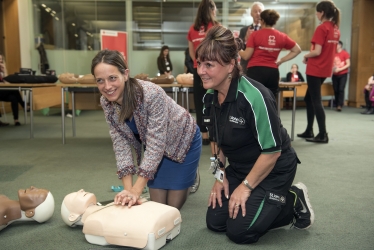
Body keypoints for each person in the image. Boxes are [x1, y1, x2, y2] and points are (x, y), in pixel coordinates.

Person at [197, 25, 314, 244]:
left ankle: (292, 199)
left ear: (231, 64)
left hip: (274, 168)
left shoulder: (255, 96)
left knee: (240, 232)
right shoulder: (209, 97)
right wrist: (219, 176)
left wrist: (246, 187)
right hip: (241, 167)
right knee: (216, 222)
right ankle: (261, 200)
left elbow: (272, 151)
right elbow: (216, 142)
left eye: (209, 65)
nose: (201, 71)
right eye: (199, 63)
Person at [91, 49, 201, 209]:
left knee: (172, 206)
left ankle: (191, 177)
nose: (107, 86)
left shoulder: (150, 94)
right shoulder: (106, 102)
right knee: (158, 207)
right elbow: (120, 145)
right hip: (156, 150)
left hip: (184, 142)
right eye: (100, 80)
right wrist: (129, 192)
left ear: (125, 74)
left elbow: (156, 144)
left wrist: (137, 190)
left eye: (112, 78)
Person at [61, 189, 181, 248]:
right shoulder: (93, 222)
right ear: (72, 216)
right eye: (75, 196)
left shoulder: (107, 206)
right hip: (154, 227)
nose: (81, 190)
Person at [297, 1, 340, 143]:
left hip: (315, 69)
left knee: (316, 100)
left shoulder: (322, 28)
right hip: (325, 69)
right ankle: (309, 130)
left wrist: (305, 55)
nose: (316, 14)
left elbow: (317, 51)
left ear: (322, 12)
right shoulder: (335, 29)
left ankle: (322, 134)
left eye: (317, 12)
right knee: (309, 98)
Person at [239, 9, 301, 98]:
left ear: (263, 21)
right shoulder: (281, 36)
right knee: (271, 100)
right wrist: (281, 60)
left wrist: (237, 49)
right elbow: (297, 50)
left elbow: (246, 55)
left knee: (253, 99)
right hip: (272, 72)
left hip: (256, 71)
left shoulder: (255, 35)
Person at [187, 0, 219, 147]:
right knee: (215, 100)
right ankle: (215, 133)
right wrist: (208, 64)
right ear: (212, 10)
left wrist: (199, 65)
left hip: (198, 70)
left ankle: (204, 134)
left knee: (201, 102)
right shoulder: (216, 27)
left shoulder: (192, 29)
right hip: (214, 68)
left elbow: (191, 52)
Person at [0, 53, 29, 126]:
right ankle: (24, 105)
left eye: (1, 59)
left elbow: (7, 82)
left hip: (3, 92)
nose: (0, 61)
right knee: (14, 90)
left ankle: (16, 120)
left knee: (14, 98)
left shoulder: (1, 70)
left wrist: (5, 70)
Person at [239, 2, 265, 72]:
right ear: (251, 14)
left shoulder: (267, 30)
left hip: (263, 67)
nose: (258, 13)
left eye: (260, 11)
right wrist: (246, 39)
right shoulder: (244, 30)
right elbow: (238, 48)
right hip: (247, 67)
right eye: (255, 11)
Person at [332, 40, 350, 112]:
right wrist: (333, 69)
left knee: (341, 89)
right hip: (335, 74)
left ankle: (340, 105)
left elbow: (348, 64)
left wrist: (340, 69)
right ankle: (336, 104)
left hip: (343, 74)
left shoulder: (345, 53)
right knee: (335, 89)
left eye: (336, 45)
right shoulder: (333, 53)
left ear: (340, 45)